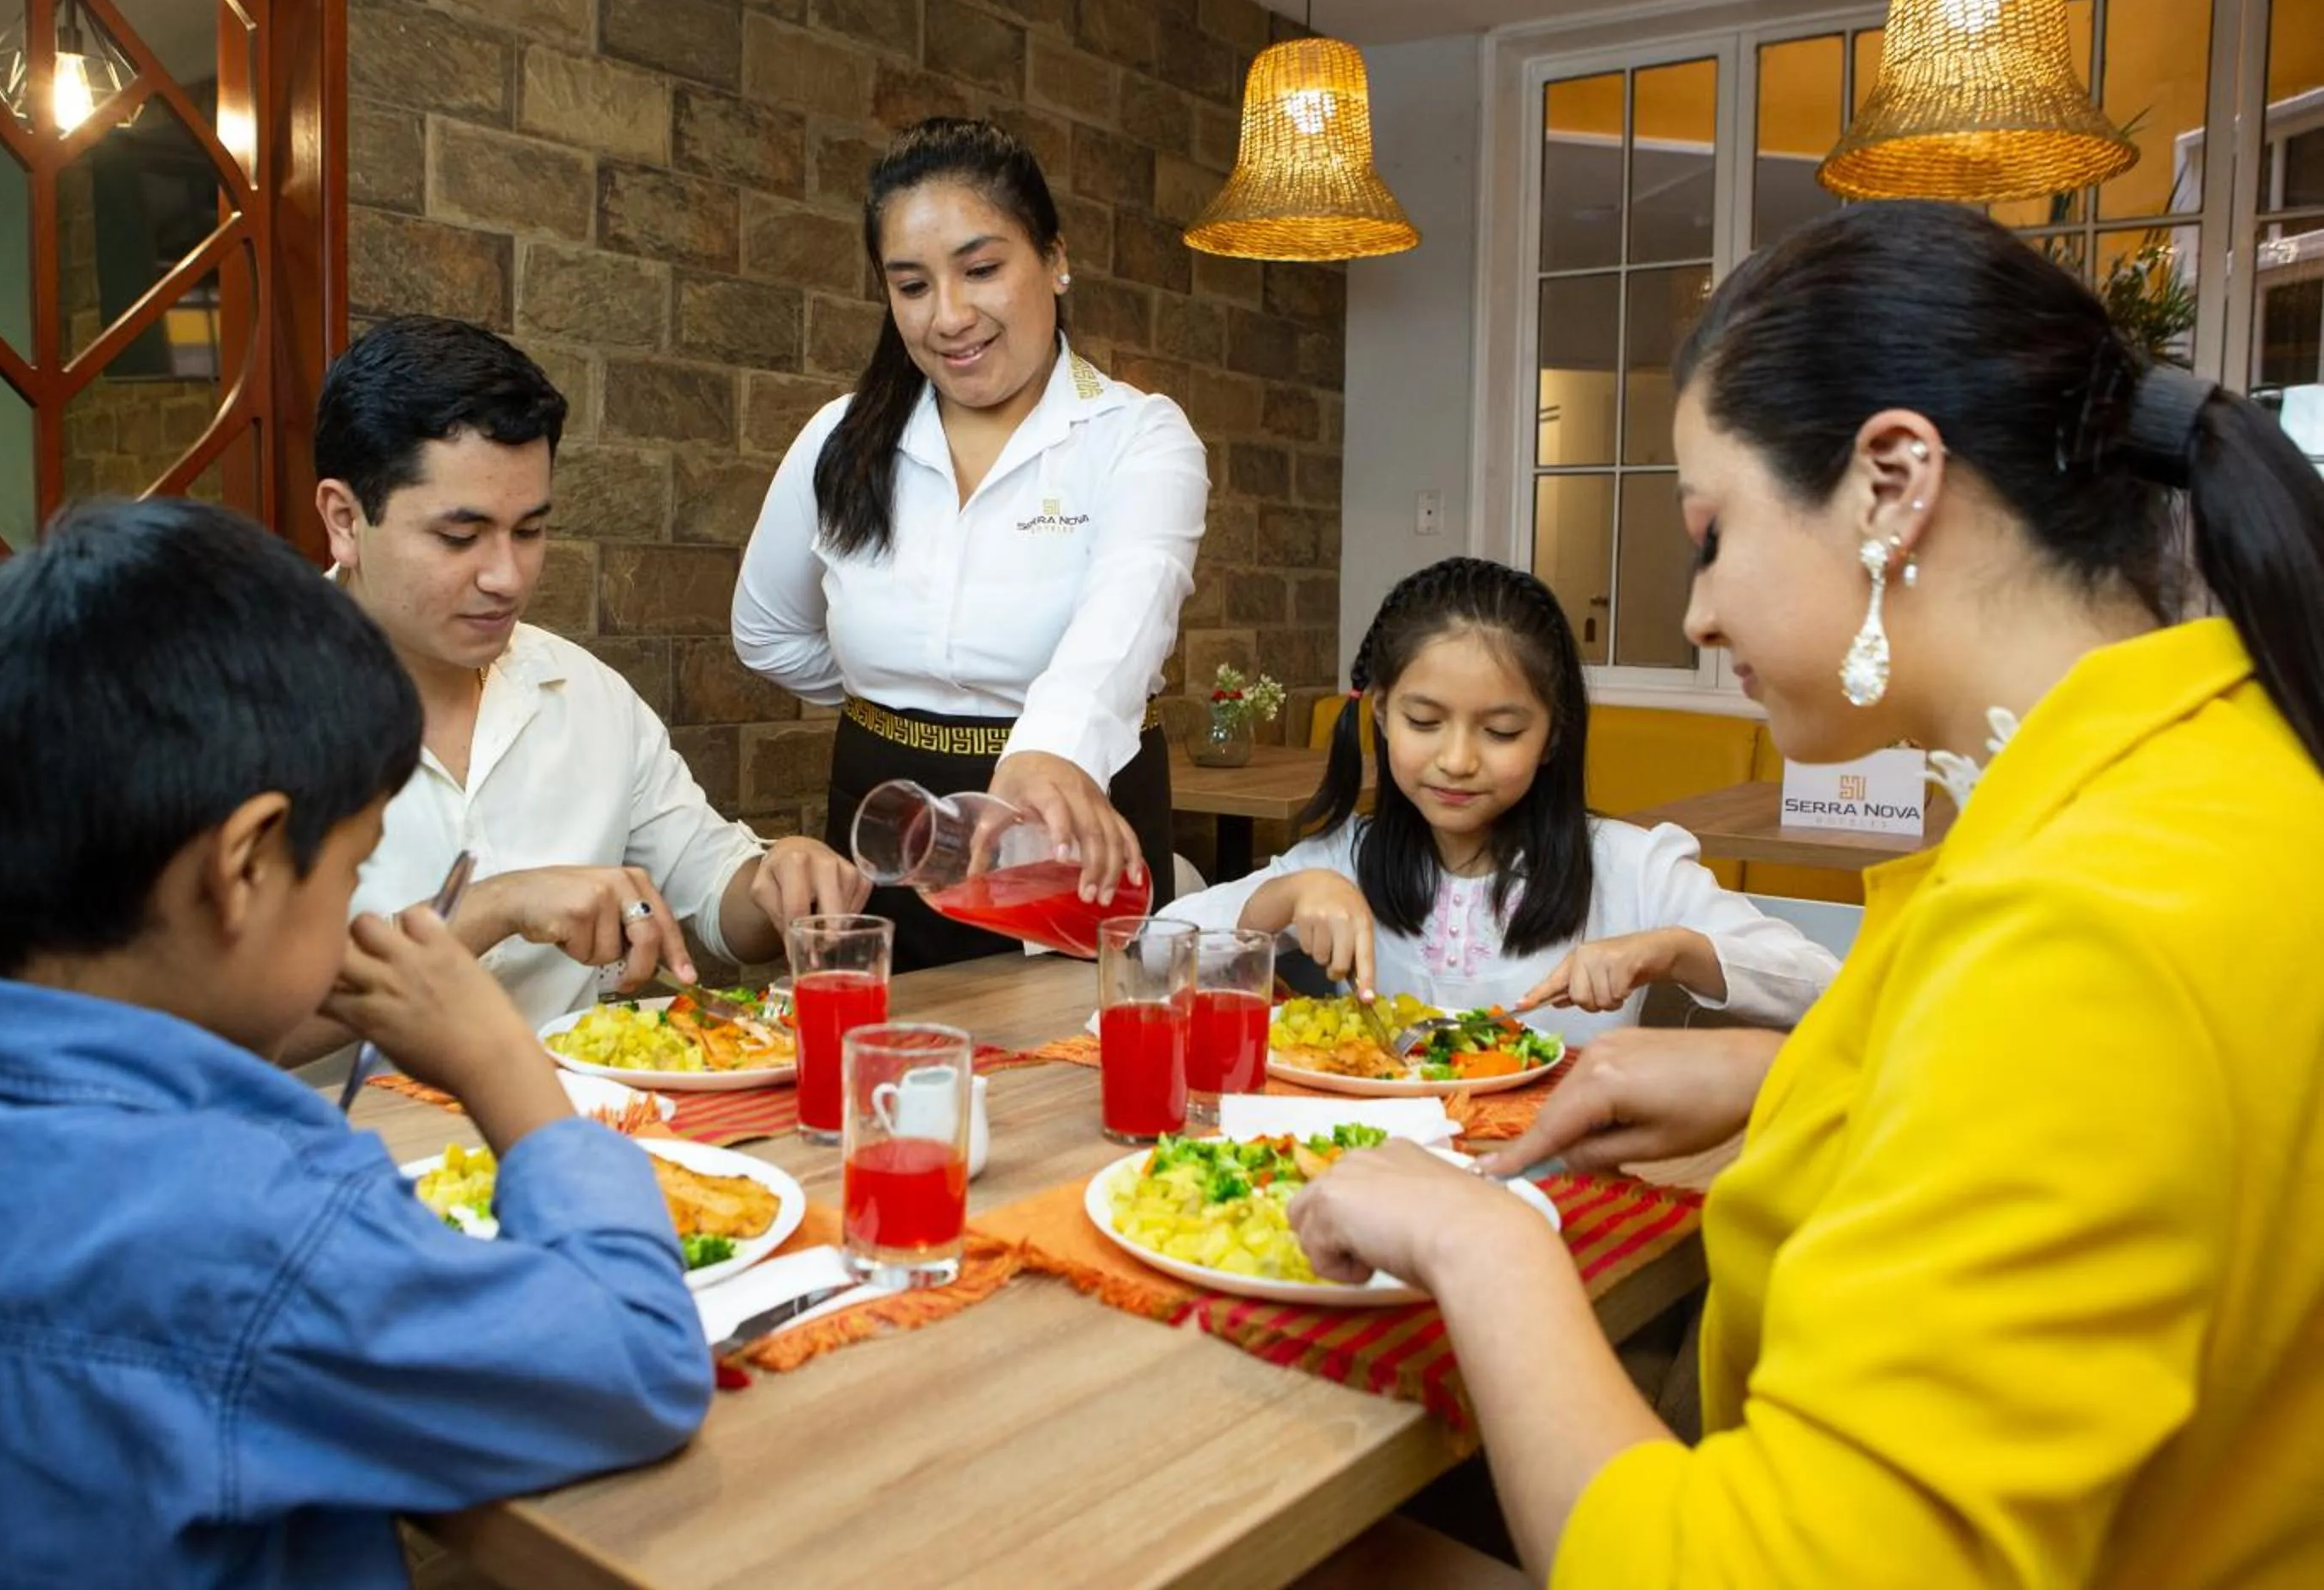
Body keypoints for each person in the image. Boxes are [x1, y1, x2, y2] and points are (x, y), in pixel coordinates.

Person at [1287, 202, 2324, 1586]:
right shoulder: (2213, 780)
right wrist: (1792, 1080)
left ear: (1895, 482)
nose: (1696, 615)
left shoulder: (2088, 920)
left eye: (1711, 537)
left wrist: (1481, 1241)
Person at [0, 501, 713, 1588]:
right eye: (353, 869)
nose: (359, 916)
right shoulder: (264, 1225)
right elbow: (636, 1361)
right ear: (247, 864)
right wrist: (507, 1065)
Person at [732, 117, 1208, 969]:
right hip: (886, 829)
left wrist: (1046, 750)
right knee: (880, 1079)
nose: (948, 317)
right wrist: (898, 684)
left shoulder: (1136, 435)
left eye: (982, 269)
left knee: (1085, 1076)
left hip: (1075, 827)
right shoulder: (839, 439)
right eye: (912, 286)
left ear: (1055, 259)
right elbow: (766, 631)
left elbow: (1126, 618)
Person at [313, 316, 865, 1025]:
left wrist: (781, 882)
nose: (508, 577)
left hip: (577, 1126)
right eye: (461, 536)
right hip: (328, 1134)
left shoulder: (584, 692)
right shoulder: (234, 703)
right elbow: (219, 1017)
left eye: (531, 530)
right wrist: (496, 907)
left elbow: (715, 891)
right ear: (343, 520)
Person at [1162, 557, 1837, 1043]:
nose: (1457, 760)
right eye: (1424, 723)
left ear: (1551, 736)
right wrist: (1288, 895)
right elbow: (1150, 951)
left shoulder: (1631, 869)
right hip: (1376, 1179)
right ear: (1382, 714)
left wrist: (1672, 951)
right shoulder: (1344, 859)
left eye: (1502, 731)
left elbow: (1821, 985)